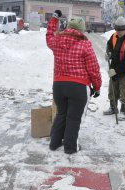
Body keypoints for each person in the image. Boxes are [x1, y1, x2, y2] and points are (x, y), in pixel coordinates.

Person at [46, 10, 101, 154]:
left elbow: (49, 36)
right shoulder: (84, 44)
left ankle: (54, 143)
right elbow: (93, 68)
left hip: (58, 85)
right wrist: (97, 87)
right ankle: (71, 148)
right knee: (74, 118)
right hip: (78, 86)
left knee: (62, 114)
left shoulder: (56, 41)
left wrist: (54, 19)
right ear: (81, 30)